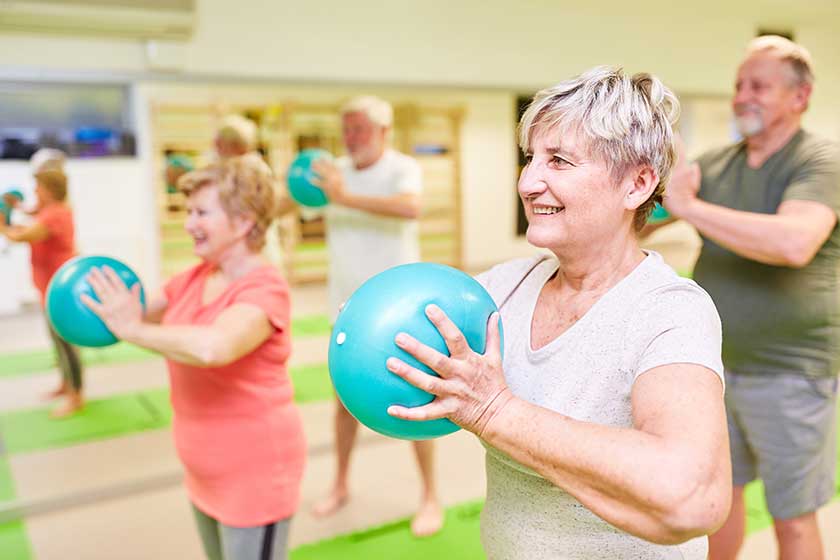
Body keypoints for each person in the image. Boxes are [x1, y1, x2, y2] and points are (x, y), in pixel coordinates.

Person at [386, 67, 732, 558]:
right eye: (531, 159)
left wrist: (495, 411)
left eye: (559, 161)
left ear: (637, 184)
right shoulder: (504, 288)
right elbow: (403, 355)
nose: (528, 182)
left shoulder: (671, 311)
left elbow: (691, 496)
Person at [649, 36, 840, 560]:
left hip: (790, 373)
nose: (742, 97)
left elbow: (793, 242)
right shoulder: (713, 165)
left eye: (759, 86)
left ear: (799, 97)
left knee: (792, 518)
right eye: (738, 85)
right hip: (710, 367)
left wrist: (689, 206)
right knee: (718, 503)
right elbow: (651, 215)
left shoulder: (821, 161)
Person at [81, 158, 306, 560]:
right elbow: (136, 307)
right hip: (202, 472)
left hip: (255, 476)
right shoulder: (194, 276)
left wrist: (134, 331)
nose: (188, 223)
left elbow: (214, 347)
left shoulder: (265, 288)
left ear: (241, 222)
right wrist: (95, 300)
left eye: (201, 212)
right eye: (188, 211)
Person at [307, 95, 443, 537]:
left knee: (415, 402)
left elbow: (411, 207)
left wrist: (344, 197)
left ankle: (430, 496)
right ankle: (341, 483)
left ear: (383, 132)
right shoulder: (335, 173)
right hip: (345, 307)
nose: (351, 138)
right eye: (346, 129)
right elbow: (295, 205)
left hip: (397, 307)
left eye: (360, 129)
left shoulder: (401, 168)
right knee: (342, 404)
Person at [0, 165, 84, 418]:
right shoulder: (48, 210)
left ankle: (76, 396)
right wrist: (12, 207)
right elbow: (28, 214)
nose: (35, 190)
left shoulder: (54, 214)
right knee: (57, 340)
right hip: (49, 287)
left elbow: (22, 235)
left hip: (61, 289)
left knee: (66, 344)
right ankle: (65, 385)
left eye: (38, 186)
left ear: (49, 190)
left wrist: (3, 224)